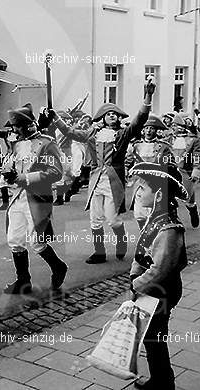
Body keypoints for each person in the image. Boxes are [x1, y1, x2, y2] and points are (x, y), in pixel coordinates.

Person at [50, 81, 156, 264]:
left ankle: (121, 242)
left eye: (115, 113)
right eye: (108, 114)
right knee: (95, 220)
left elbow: (139, 120)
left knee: (113, 220)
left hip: (114, 182)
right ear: (103, 118)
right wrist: (55, 118)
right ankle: (99, 252)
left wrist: (148, 97)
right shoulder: (92, 134)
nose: (112, 116)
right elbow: (70, 132)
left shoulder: (123, 134)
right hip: (95, 181)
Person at [129, 162, 188, 390]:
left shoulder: (169, 229)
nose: (138, 192)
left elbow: (160, 270)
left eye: (143, 188)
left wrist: (136, 284)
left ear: (159, 194)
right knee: (151, 337)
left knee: (155, 337)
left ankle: (164, 383)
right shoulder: (155, 220)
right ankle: (160, 379)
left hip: (161, 293)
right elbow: (142, 251)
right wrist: (135, 273)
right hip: (149, 291)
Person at [0, 104, 68, 295]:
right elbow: (11, 168)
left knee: (37, 242)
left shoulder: (47, 144)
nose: (13, 130)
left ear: (28, 125)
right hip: (17, 197)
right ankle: (23, 282)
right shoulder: (17, 145)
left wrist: (23, 178)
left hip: (37, 198)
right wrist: (8, 173)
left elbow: (55, 172)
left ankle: (58, 266)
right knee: (14, 240)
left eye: (16, 127)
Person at [125, 115, 174, 230]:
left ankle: (153, 237)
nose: (148, 131)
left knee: (153, 212)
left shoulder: (163, 147)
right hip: (139, 182)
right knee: (139, 214)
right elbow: (128, 161)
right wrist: (127, 170)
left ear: (156, 130)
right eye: (146, 128)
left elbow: (171, 163)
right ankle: (144, 234)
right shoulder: (135, 146)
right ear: (142, 130)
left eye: (152, 128)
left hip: (156, 183)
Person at [170, 113, 200, 227]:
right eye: (172, 125)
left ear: (181, 126)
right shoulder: (169, 138)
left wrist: (196, 171)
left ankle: (192, 209)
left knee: (187, 197)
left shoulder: (193, 140)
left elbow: (198, 157)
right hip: (170, 171)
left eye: (175, 125)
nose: (172, 127)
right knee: (169, 197)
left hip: (185, 172)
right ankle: (173, 221)